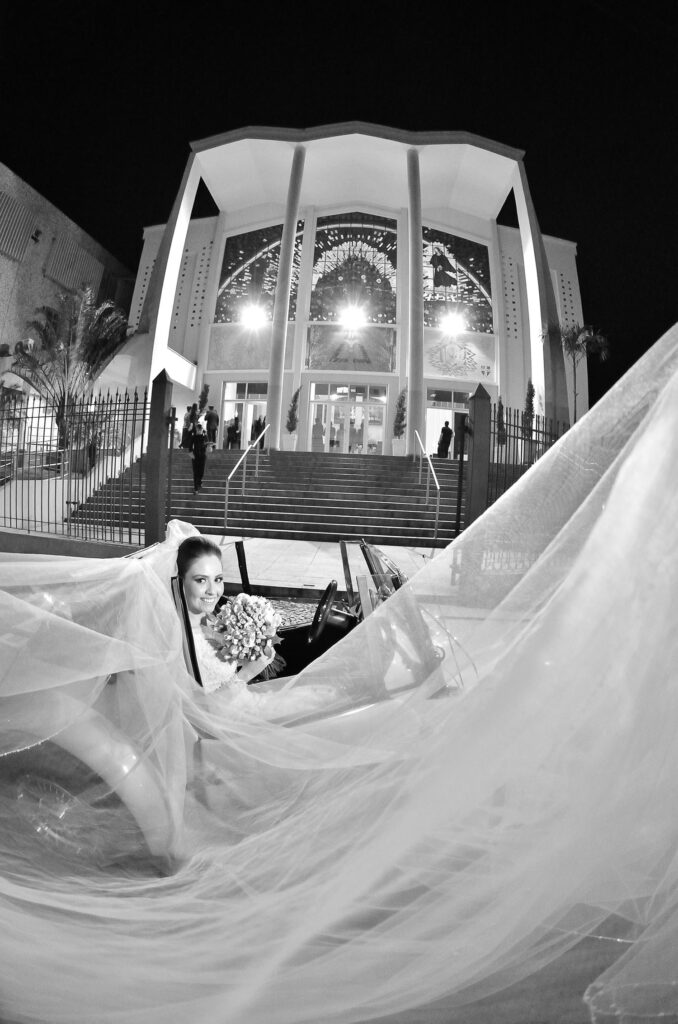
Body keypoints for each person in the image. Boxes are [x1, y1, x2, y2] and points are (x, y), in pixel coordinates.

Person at [1, 322, 678, 1024]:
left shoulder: (196, 621)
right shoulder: (174, 632)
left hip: (234, 702)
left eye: (212, 582)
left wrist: (253, 651)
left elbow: (214, 680)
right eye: (200, 582)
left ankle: (418, 761)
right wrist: (254, 666)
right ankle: (410, 780)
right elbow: (203, 709)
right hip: (226, 719)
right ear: (179, 581)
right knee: (354, 716)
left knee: (343, 692)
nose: (210, 592)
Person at [190, 422, 208, 493]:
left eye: (200, 430)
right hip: (195, 456)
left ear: (202, 430)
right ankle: (196, 488)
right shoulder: (194, 436)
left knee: (201, 472)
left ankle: (199, 482)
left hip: (202, 456)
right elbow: (190, 447)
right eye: (197, 430)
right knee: (195, 472)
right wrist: (192, 457)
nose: (198, 431)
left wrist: (205, 435)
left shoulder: (204, 436)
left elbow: (207, 444)